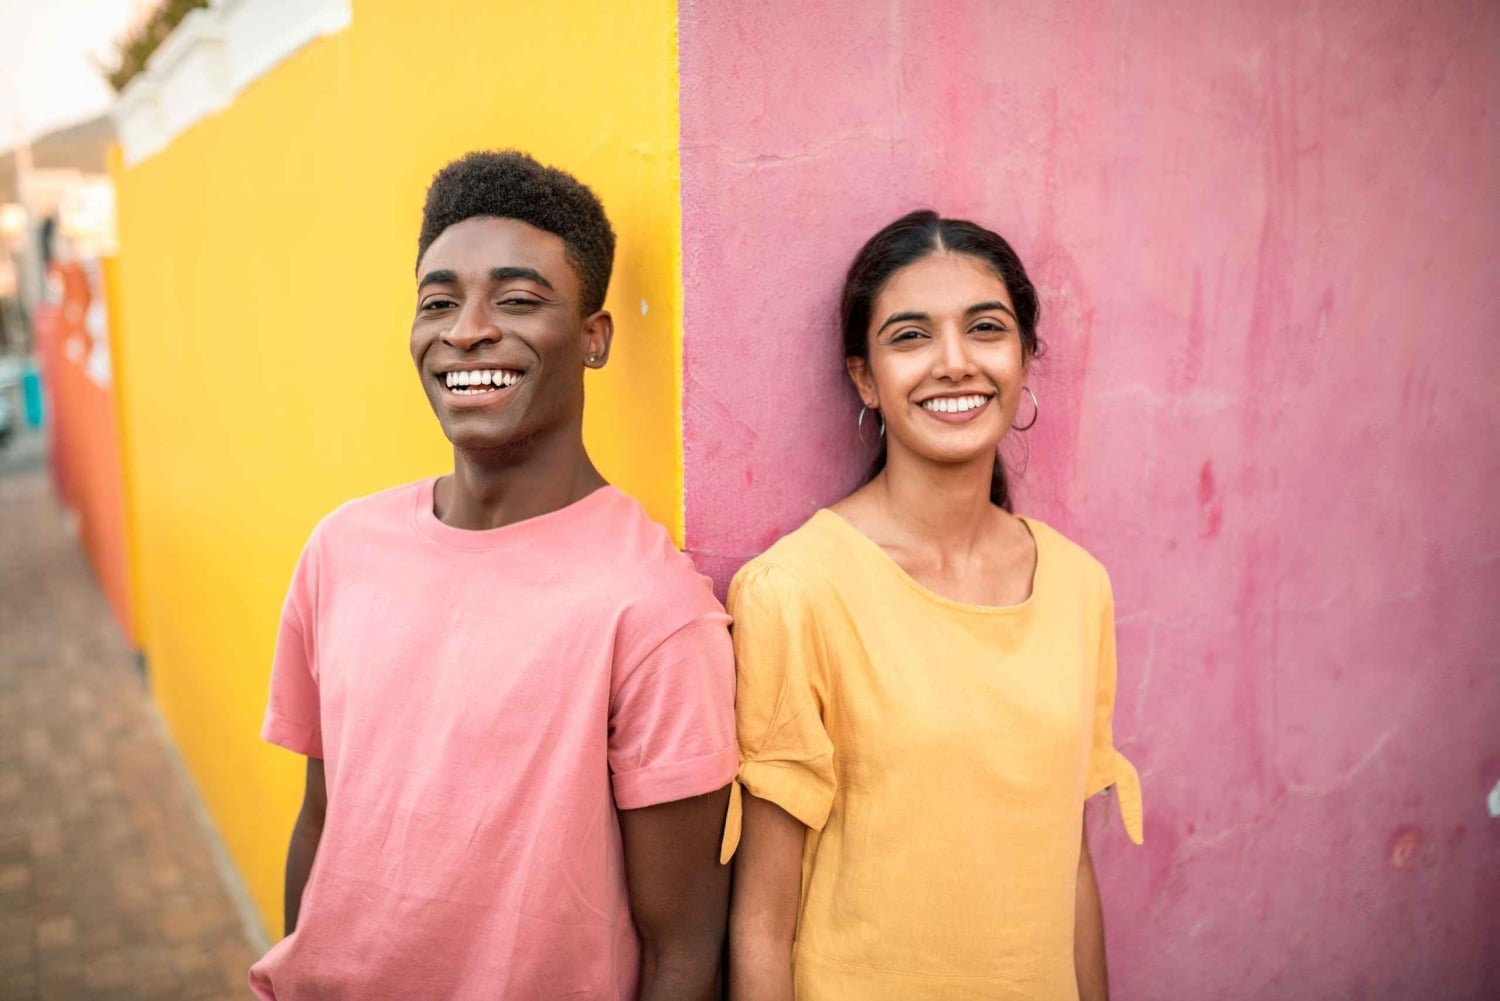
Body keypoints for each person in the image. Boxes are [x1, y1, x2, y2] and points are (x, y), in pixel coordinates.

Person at [250, 150, 738, 1001]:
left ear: (594, 338)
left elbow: (684, 949)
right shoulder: (341, 551)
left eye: (517, 300)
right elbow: (323, 822)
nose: (466, 329)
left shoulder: (653, 611)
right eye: (438, 302)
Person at [726, 210, 1144, 1001]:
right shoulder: (798, 590)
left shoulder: (1078, 585)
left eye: (985, 328)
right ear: (864, 378)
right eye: (911, 336)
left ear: (1025, 357)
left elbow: (1070, 865)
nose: (954, 363)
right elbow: (761, 923)